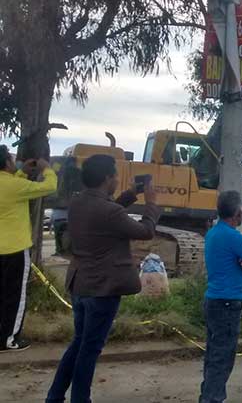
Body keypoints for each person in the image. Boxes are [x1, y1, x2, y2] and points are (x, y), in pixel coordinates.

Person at [46, 154, 161, 403]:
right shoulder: (108, 211)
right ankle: (80, 399)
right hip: (103, 290)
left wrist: (131, 194)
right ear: (107, 178)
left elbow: (110, 212)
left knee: (78, 344)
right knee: (90, 349)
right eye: (115, 176)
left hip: (80, 285)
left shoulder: (77, 203)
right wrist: (151, 203)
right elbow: (145, 231)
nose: (117, 180)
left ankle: (54, 397)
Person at [200, 190, 242, 403]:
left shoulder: (213, 233)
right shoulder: (233, 236)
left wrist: (239, 259)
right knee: (223, 358)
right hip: (228, 303)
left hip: (212, 300)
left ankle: (207, 395)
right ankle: (213, 399)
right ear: (238, 212)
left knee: (212, 355)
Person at [0, 145, 57, 352]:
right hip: (14, 249)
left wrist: (24, 171)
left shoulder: (14, 183)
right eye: (11, 159)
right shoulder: (16, 186)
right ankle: (9, 339)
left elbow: (15, 186)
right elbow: (50, 186)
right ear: (7, 163)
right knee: (15, 295)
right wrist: (46, 168)